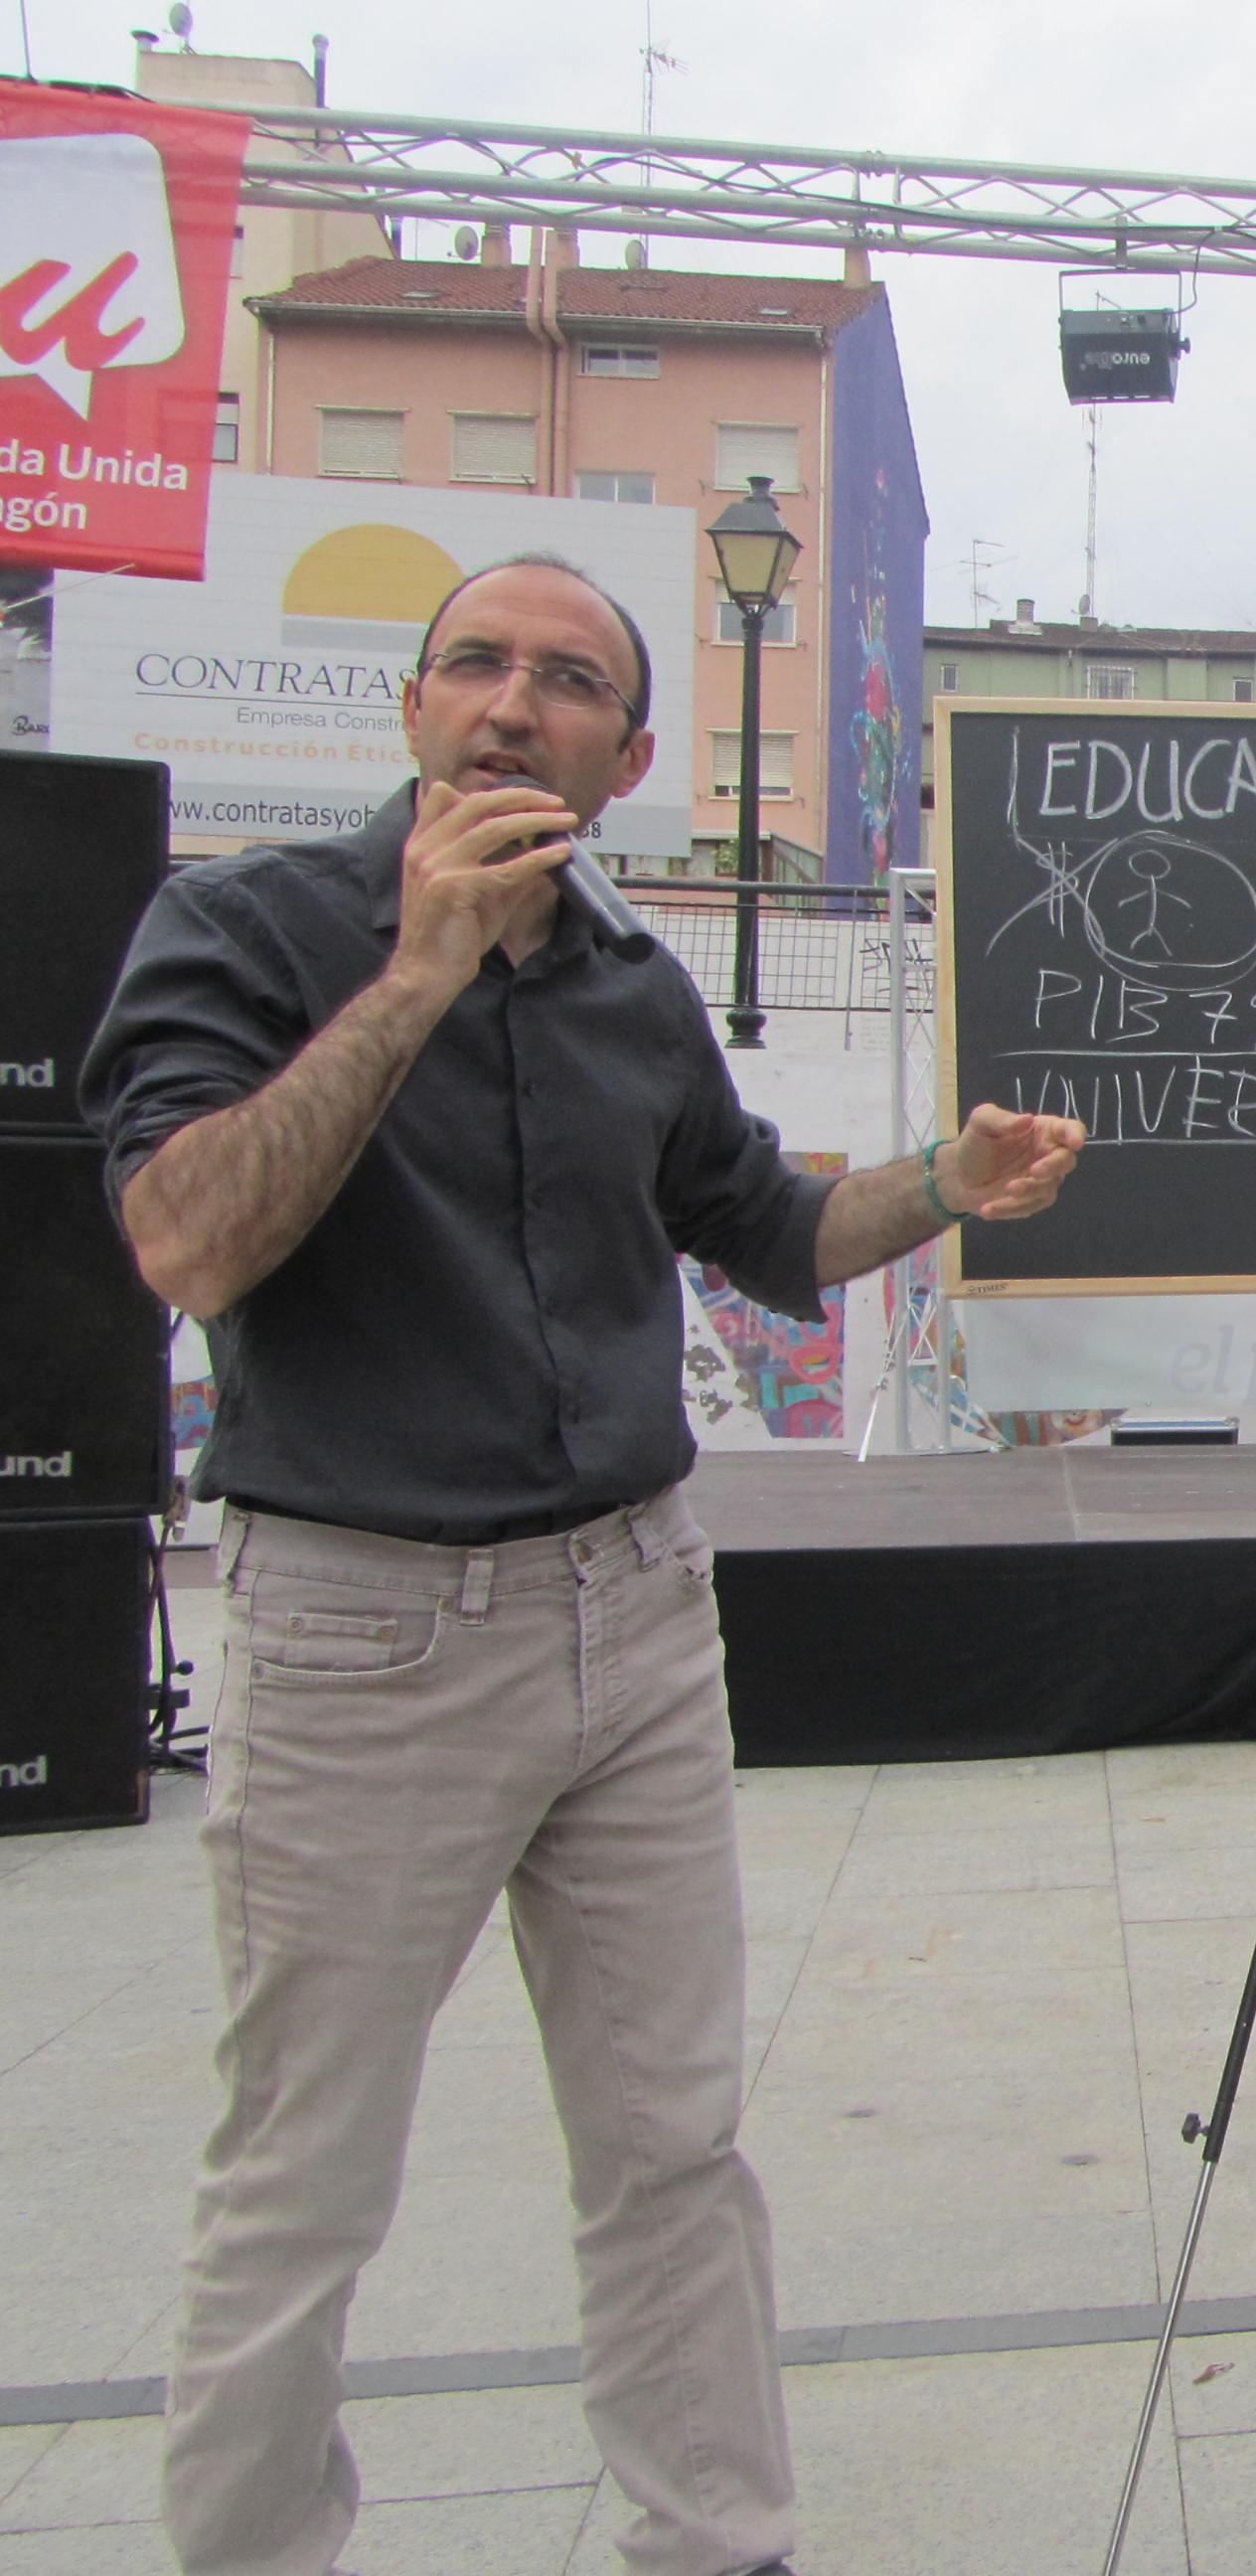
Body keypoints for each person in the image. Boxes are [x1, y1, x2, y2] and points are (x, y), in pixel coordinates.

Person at [82, 555, 1090, 2576]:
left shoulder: (633, 986)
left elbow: (762, 1230)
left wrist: (951, 1188)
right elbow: (186, 1240)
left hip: (631, 1612)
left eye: (563, 684)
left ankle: (716, 2540)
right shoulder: (249, 927)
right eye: (475, 665)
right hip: (366, 1626)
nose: (510, 704)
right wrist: (418, 971)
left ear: (627, 759)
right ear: (411, 711)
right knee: (304, 2176)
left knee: (670, 2147)